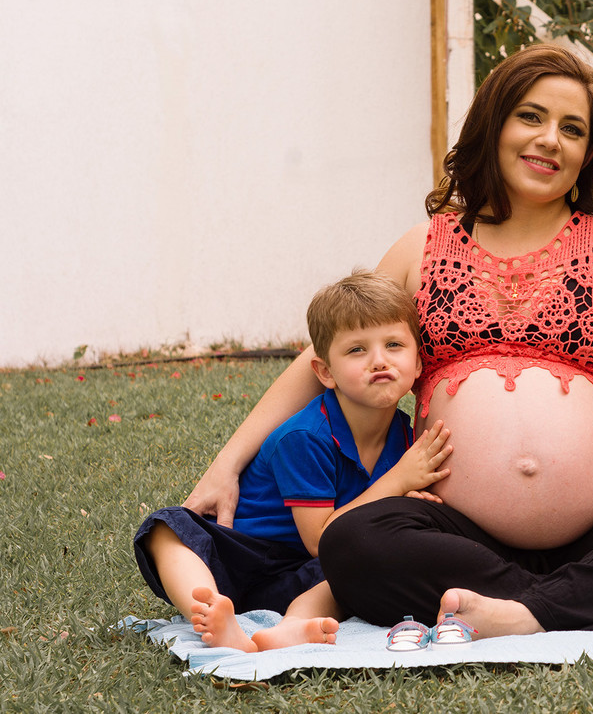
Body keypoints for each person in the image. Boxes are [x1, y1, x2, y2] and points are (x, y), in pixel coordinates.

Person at [182, 44, 593, 640]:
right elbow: (328, 357)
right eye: (531, 116)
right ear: (493, 124)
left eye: (573, 128)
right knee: (352, 540)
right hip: (457, 537)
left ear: (589, 156)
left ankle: (524, 611)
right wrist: (225, 464)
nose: (550, 139)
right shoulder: (423, 247)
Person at [135, 271, 451, 651]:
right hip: (240, 558)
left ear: (419, 365)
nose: (378, 360)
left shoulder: (403, 436)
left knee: (368, 557)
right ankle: (209, 612)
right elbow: (320, 538)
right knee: (164, 528)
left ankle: (293, 625)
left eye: (394, 345)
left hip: (308, 576)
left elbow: (346, 541)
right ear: (324, 372)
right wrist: (398, 482)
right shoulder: (306, 436)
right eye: (356, 350)